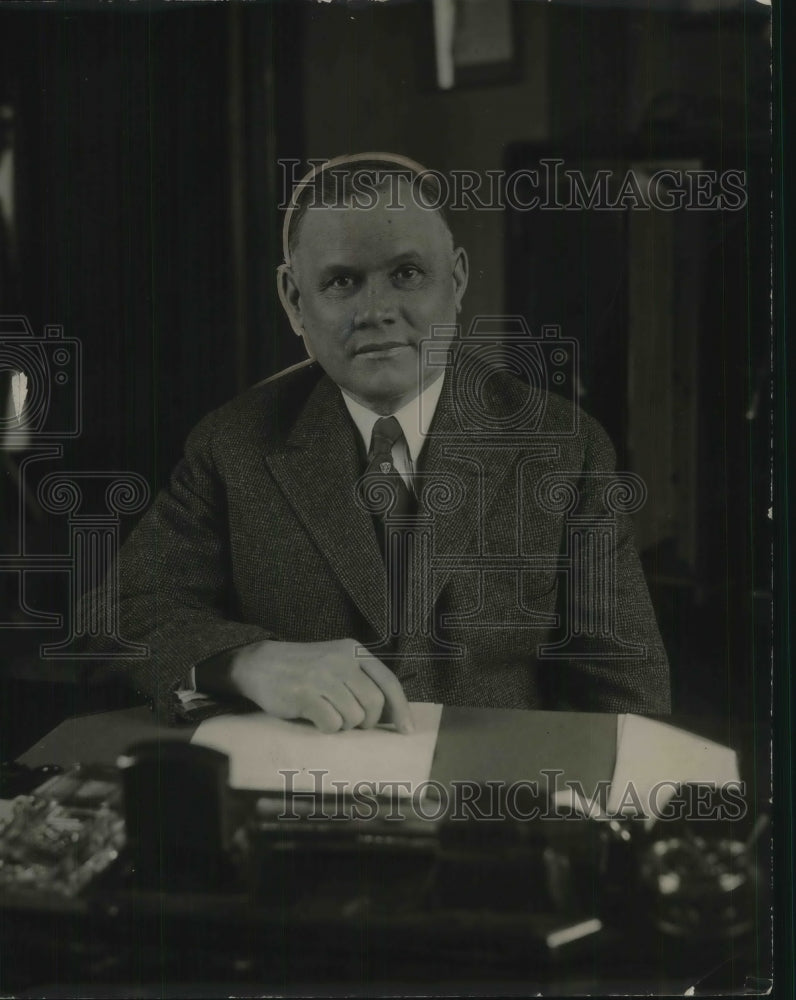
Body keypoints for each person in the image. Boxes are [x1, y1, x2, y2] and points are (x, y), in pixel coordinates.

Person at [85, 153, 671, 732]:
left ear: (458, 281)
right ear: (294, 301)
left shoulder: (565, 446)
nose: (376, 312)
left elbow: (627, 690)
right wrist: (245, 662)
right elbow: (122, 615)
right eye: (341, 282)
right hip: (303, 803)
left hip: (492, 807)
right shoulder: (231, 445)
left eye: (408, 274)